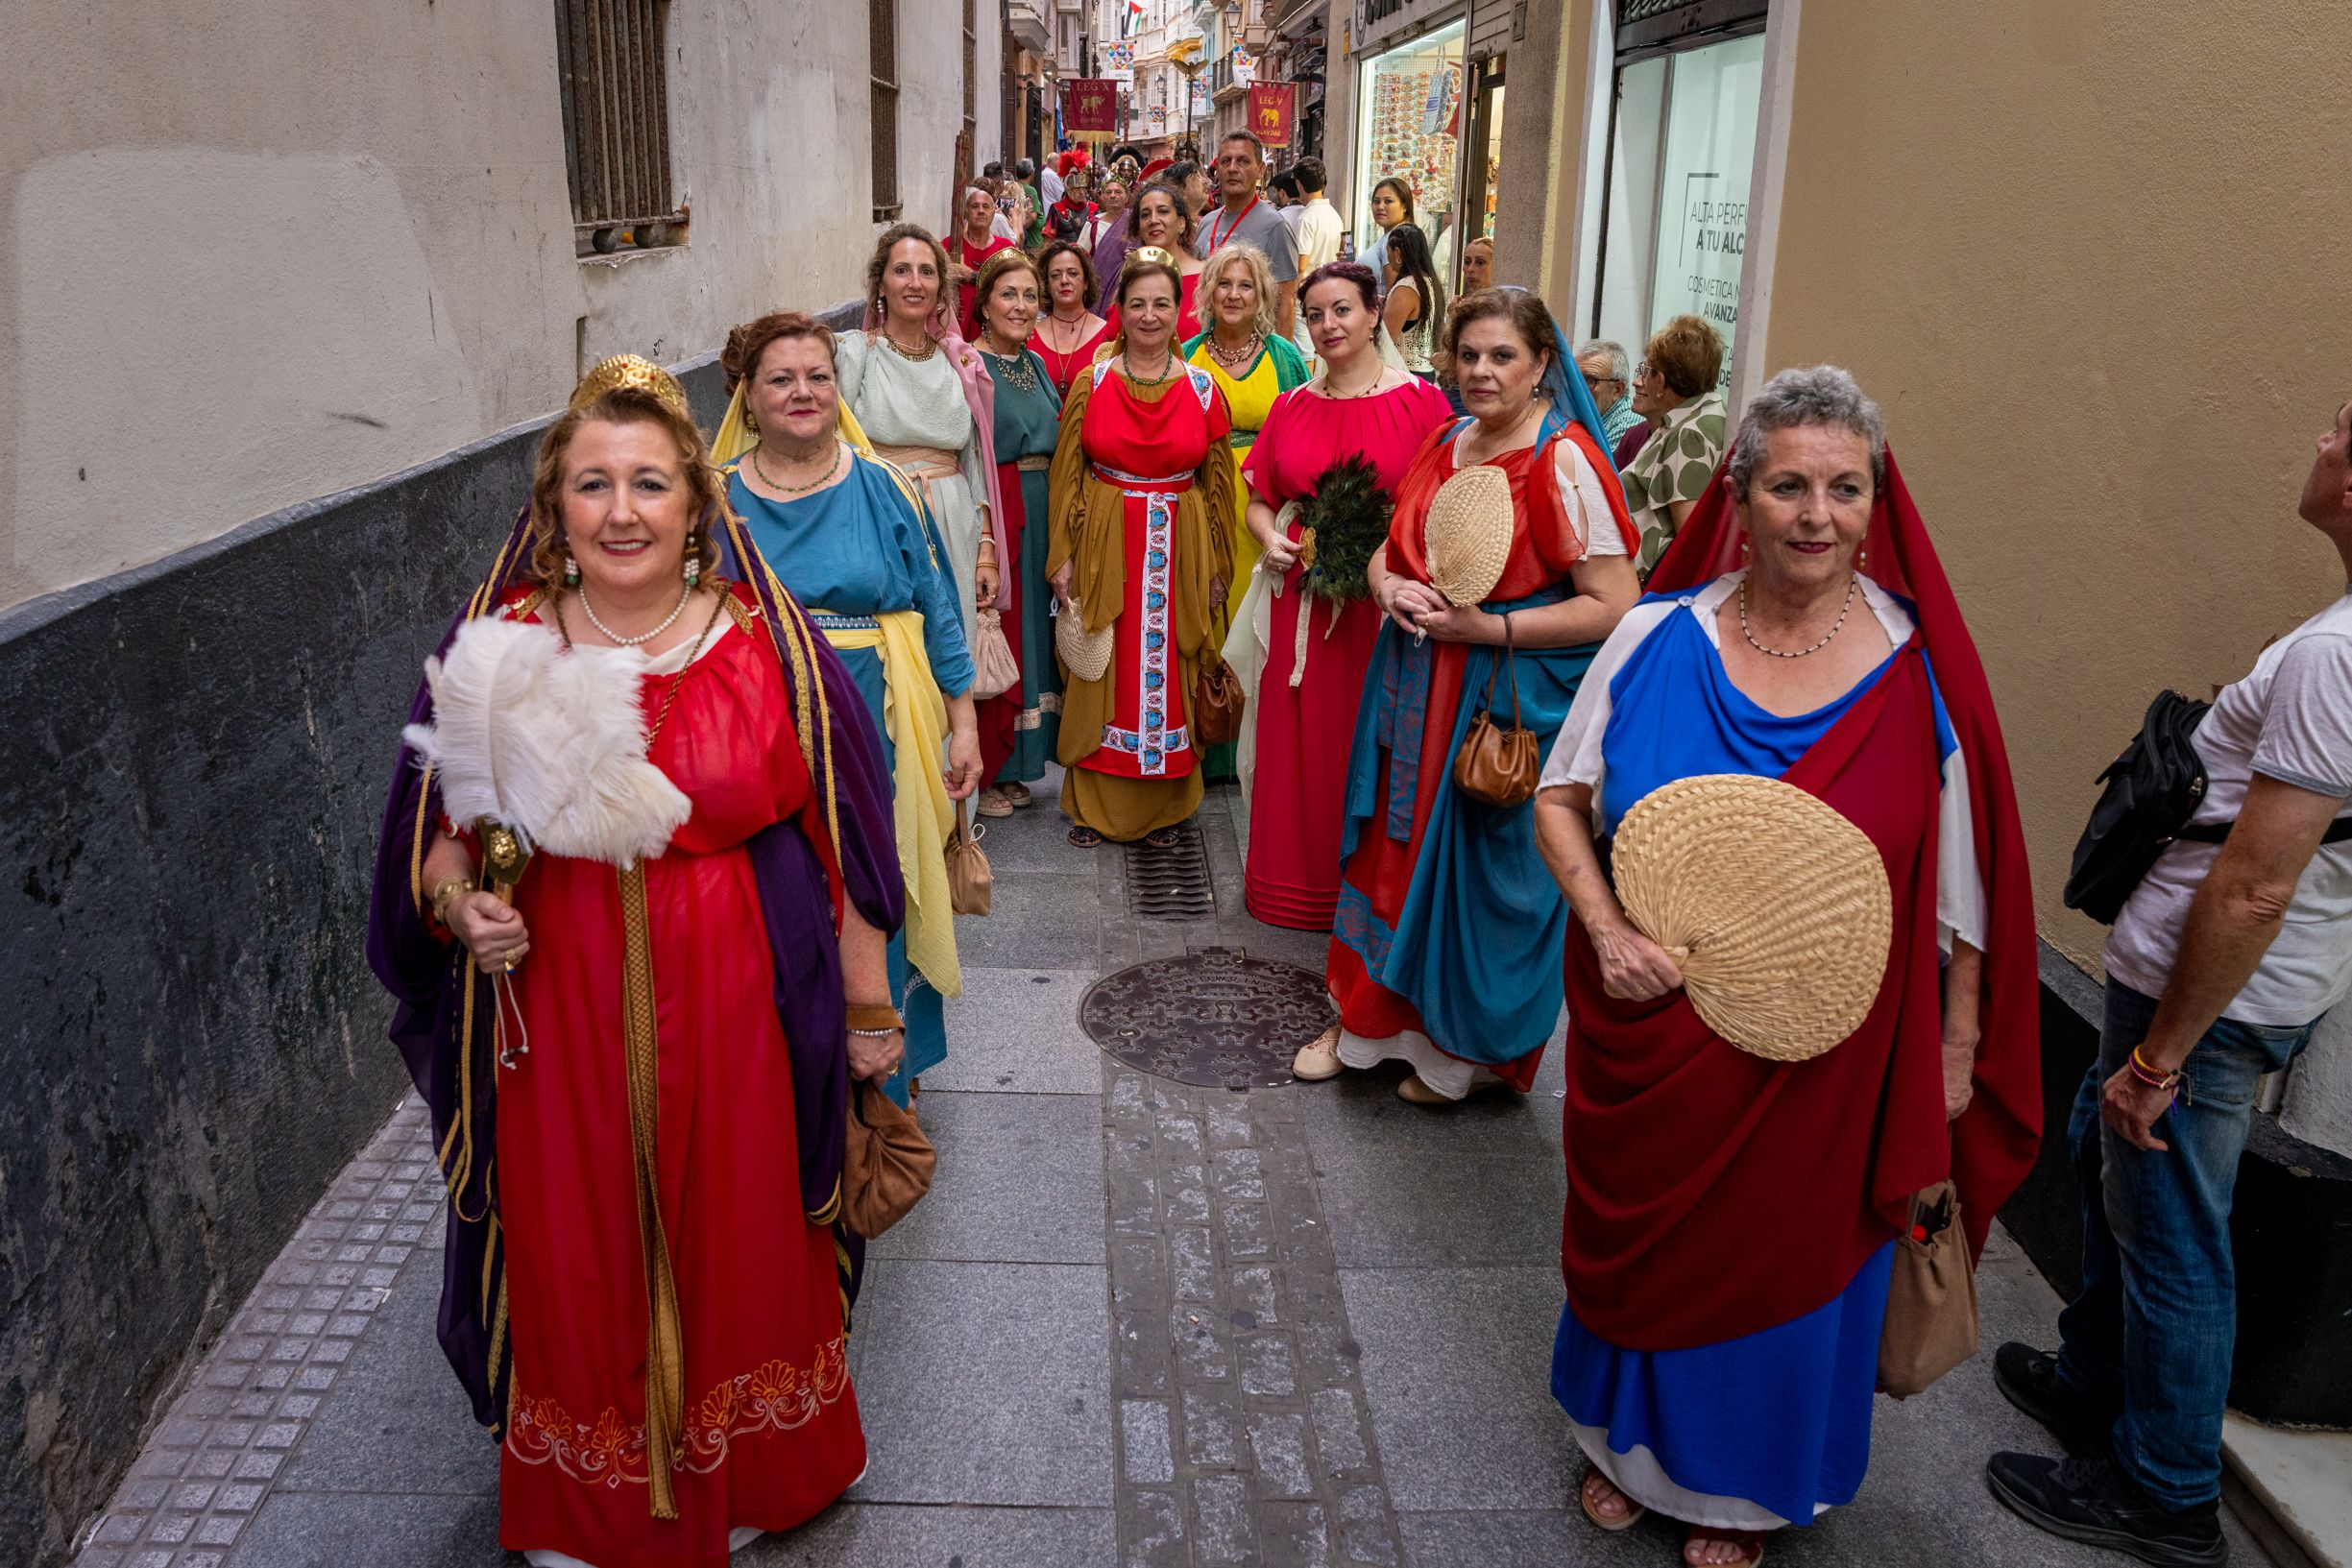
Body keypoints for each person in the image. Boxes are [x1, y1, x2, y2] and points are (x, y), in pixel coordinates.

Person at [371, 356, 904, 1567]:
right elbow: (441, 847)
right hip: (554, 1004)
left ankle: (763, 1469)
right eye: (594, 482)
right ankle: (590, 1500)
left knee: (742, 1224)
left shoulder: (771, 647)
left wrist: (869, 1013)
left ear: (694, 507)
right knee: (576, 1239)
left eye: (650, 482)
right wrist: (465, 912)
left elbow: (846, 844)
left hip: (735, 993)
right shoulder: (502, 646)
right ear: (552, 506)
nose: (622, 510)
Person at [1534, 365, 2041, 1568]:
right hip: (1657, 1027)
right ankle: (1625, 1450)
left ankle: (1744, 1491)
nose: (1816, 514)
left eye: (1844, 488)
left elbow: (1966, 893)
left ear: (1877, 502)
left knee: (1791, 1268)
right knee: (1647, 1249)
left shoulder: (1920, 671)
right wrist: (1607, 930)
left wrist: (1958, 1044)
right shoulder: (1657, 635)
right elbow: (1560, 799)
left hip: (1834, 1052)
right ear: (1740, 493)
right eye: (1788, 486)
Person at [1985, 400, 2352, 1568]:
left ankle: (2167, 1489)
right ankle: (2093, 1378)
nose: (2321, 435)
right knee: (2118, 1179)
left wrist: (2160, 1058)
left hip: (2209, 1004)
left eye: (2343, 428)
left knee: (2175, 1236)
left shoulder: (2333, 660)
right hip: (2229, 991)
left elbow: (2252, 883)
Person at [1291, 287, 1638, 1102]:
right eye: (1469, 355)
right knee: (1390, 856)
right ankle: (1369, 1025)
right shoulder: (1447, 438)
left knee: (1473, 875)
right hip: (1413, 681)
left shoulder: (1563, 460)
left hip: (1491, 698)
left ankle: (1459, 1056)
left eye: (1502, 356)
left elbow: (1615, 601)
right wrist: (1386, 590)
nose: (1481, 372)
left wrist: (1490, 633)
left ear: (1541, 363)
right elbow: (1389, 548)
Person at [715, 313, 981, 1110]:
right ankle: (779, 1079)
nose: (803, 392)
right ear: (748, 397)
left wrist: (962, 721)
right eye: (780, 379)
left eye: (817, 376)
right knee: (774, 895)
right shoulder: (712, 500)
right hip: (756, 729)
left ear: (838, 388)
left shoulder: (882, 484)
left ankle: (888, 1065)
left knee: (878, 878)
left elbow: (937, 607)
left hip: (877, 718)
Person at [1227, 261, 1453, 929]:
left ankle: (1365, 893)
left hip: (1376, 605)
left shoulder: (1422, 404)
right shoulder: (1292, 403)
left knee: (1368, 739)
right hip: (1296, 591)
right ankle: (1288, 885)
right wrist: (1269, 536)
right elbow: (1260, 496)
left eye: (1342, 311)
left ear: (1374, 313)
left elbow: (1442, 505)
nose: (1327, 326)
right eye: (1315, 314)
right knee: (1293, 738)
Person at [1047, 250, 1240, 849]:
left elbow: (1217, 485)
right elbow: (1068, 474)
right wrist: (1065, 556)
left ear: (1180, 312)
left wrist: (1215, 566)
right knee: (1100, 662)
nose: (1150, 316)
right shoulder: (1093, 382)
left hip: (1179, 546)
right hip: (1106, 540)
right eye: (1137, 304)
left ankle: (1164, 810)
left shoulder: (1206, 390)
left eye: (1162, 303)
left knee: (1171, 668)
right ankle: (1092, 805)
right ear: (1119, 311)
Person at [838, 225, 1006, 670]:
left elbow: (973, 460)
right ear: (880, 285)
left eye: (927, 272)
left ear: (941, 289)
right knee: (890, 659)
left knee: (949, 658)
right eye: (902, 270)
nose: (915, 282)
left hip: (954, 526)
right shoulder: (856, 355)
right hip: (883, 522)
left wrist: (985, 548)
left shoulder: (960, 361)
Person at [968, 252, 1064, 817]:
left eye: (1031, 295)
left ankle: (1024, 761)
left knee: (1033, 629)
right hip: (1000, 508)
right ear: (984, 303)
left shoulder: (1031, 363)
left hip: (1041, 502)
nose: (1022, 306)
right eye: (1009, 294)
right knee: (1001, 627)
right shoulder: (969, 364)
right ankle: (990, 765)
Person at [1184, 241, 1311, 586]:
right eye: (1224, 284)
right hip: (1203, 501)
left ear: (1261, 297)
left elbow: (1306, 435)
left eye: (1245, 285)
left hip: (1270, 504)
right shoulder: (1185, 358)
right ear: (1209, 291)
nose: (1233, 295)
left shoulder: (1284, 357)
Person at [1621, 314, 1728, 576]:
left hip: (1651, 588)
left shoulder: (1689, 434)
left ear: (1660, 381)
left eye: (1647, 371)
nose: (1641, 379)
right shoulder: (1702, 415)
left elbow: (1690, 540)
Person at [1194, 131, 1302, 340]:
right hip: (1207, 348)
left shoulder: (1275, 226)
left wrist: (1280, 363)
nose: (1233, 168)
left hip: (1253, 352)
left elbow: (1285, 303)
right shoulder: (1207, 222)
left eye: (1243, 161)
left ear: (1261, 170)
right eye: (1226, 161)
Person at [1102, 180, 1207, 338]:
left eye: (1163, 211)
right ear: (1139, 229)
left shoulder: (1207, 278)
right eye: (1145, 215)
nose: (1153, 220)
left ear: (1181, 223)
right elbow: (1111, 340)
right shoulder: (1131, 278)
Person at [1032, 239, 1116, 397]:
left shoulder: (1107, 335)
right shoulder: (1028, 335)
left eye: (1073, 273)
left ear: (1086, 282)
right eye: (1056, 275)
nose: (1064, 281)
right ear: (1047, 285)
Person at [952, 185, 1018, 341]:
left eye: (986, 206)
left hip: (996, 333)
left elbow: (1014, 286)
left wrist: (972, 275)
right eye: (975, 206)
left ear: (993, 212)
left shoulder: (1006, 249)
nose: (981, 211)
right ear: (966, 212)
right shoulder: (950, 246)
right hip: (956, 335)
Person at [1379, 222, 1443, 379]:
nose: (1388, 259)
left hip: (1406, 374)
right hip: (1424, 372)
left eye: (1388, 252)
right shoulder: (1429, 282)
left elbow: (1385, 341)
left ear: (1397, 252)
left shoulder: (1406, 288)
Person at [1575, 339, 1643, 454]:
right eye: (1575, 378)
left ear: (1617, 390)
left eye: (1590, 380)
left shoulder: (1627, 424)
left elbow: (1593, 470)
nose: (1578, 387)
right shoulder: (1584, 414)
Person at [1292, 157, 1344, 273]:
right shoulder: (1335, 215)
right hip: (1330, 283)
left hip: (1310, 286)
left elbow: (1301, 266)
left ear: (1298, 184)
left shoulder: (1305, 218)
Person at [1360, 176, 1413, 282]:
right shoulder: (1391, 236)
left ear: (1405, 206)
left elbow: (1393, 291)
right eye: (1376, 201)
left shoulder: (1395, 239)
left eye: (1388, 201)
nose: (1380, 207)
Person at [1080, 175, 1128, 253]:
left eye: (1118, 192)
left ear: (1127, 197)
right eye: (1108, 192)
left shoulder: (1135, 222)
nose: (1113, 195)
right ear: (1102, 196)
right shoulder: (1093, 224)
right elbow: (1082, 256)